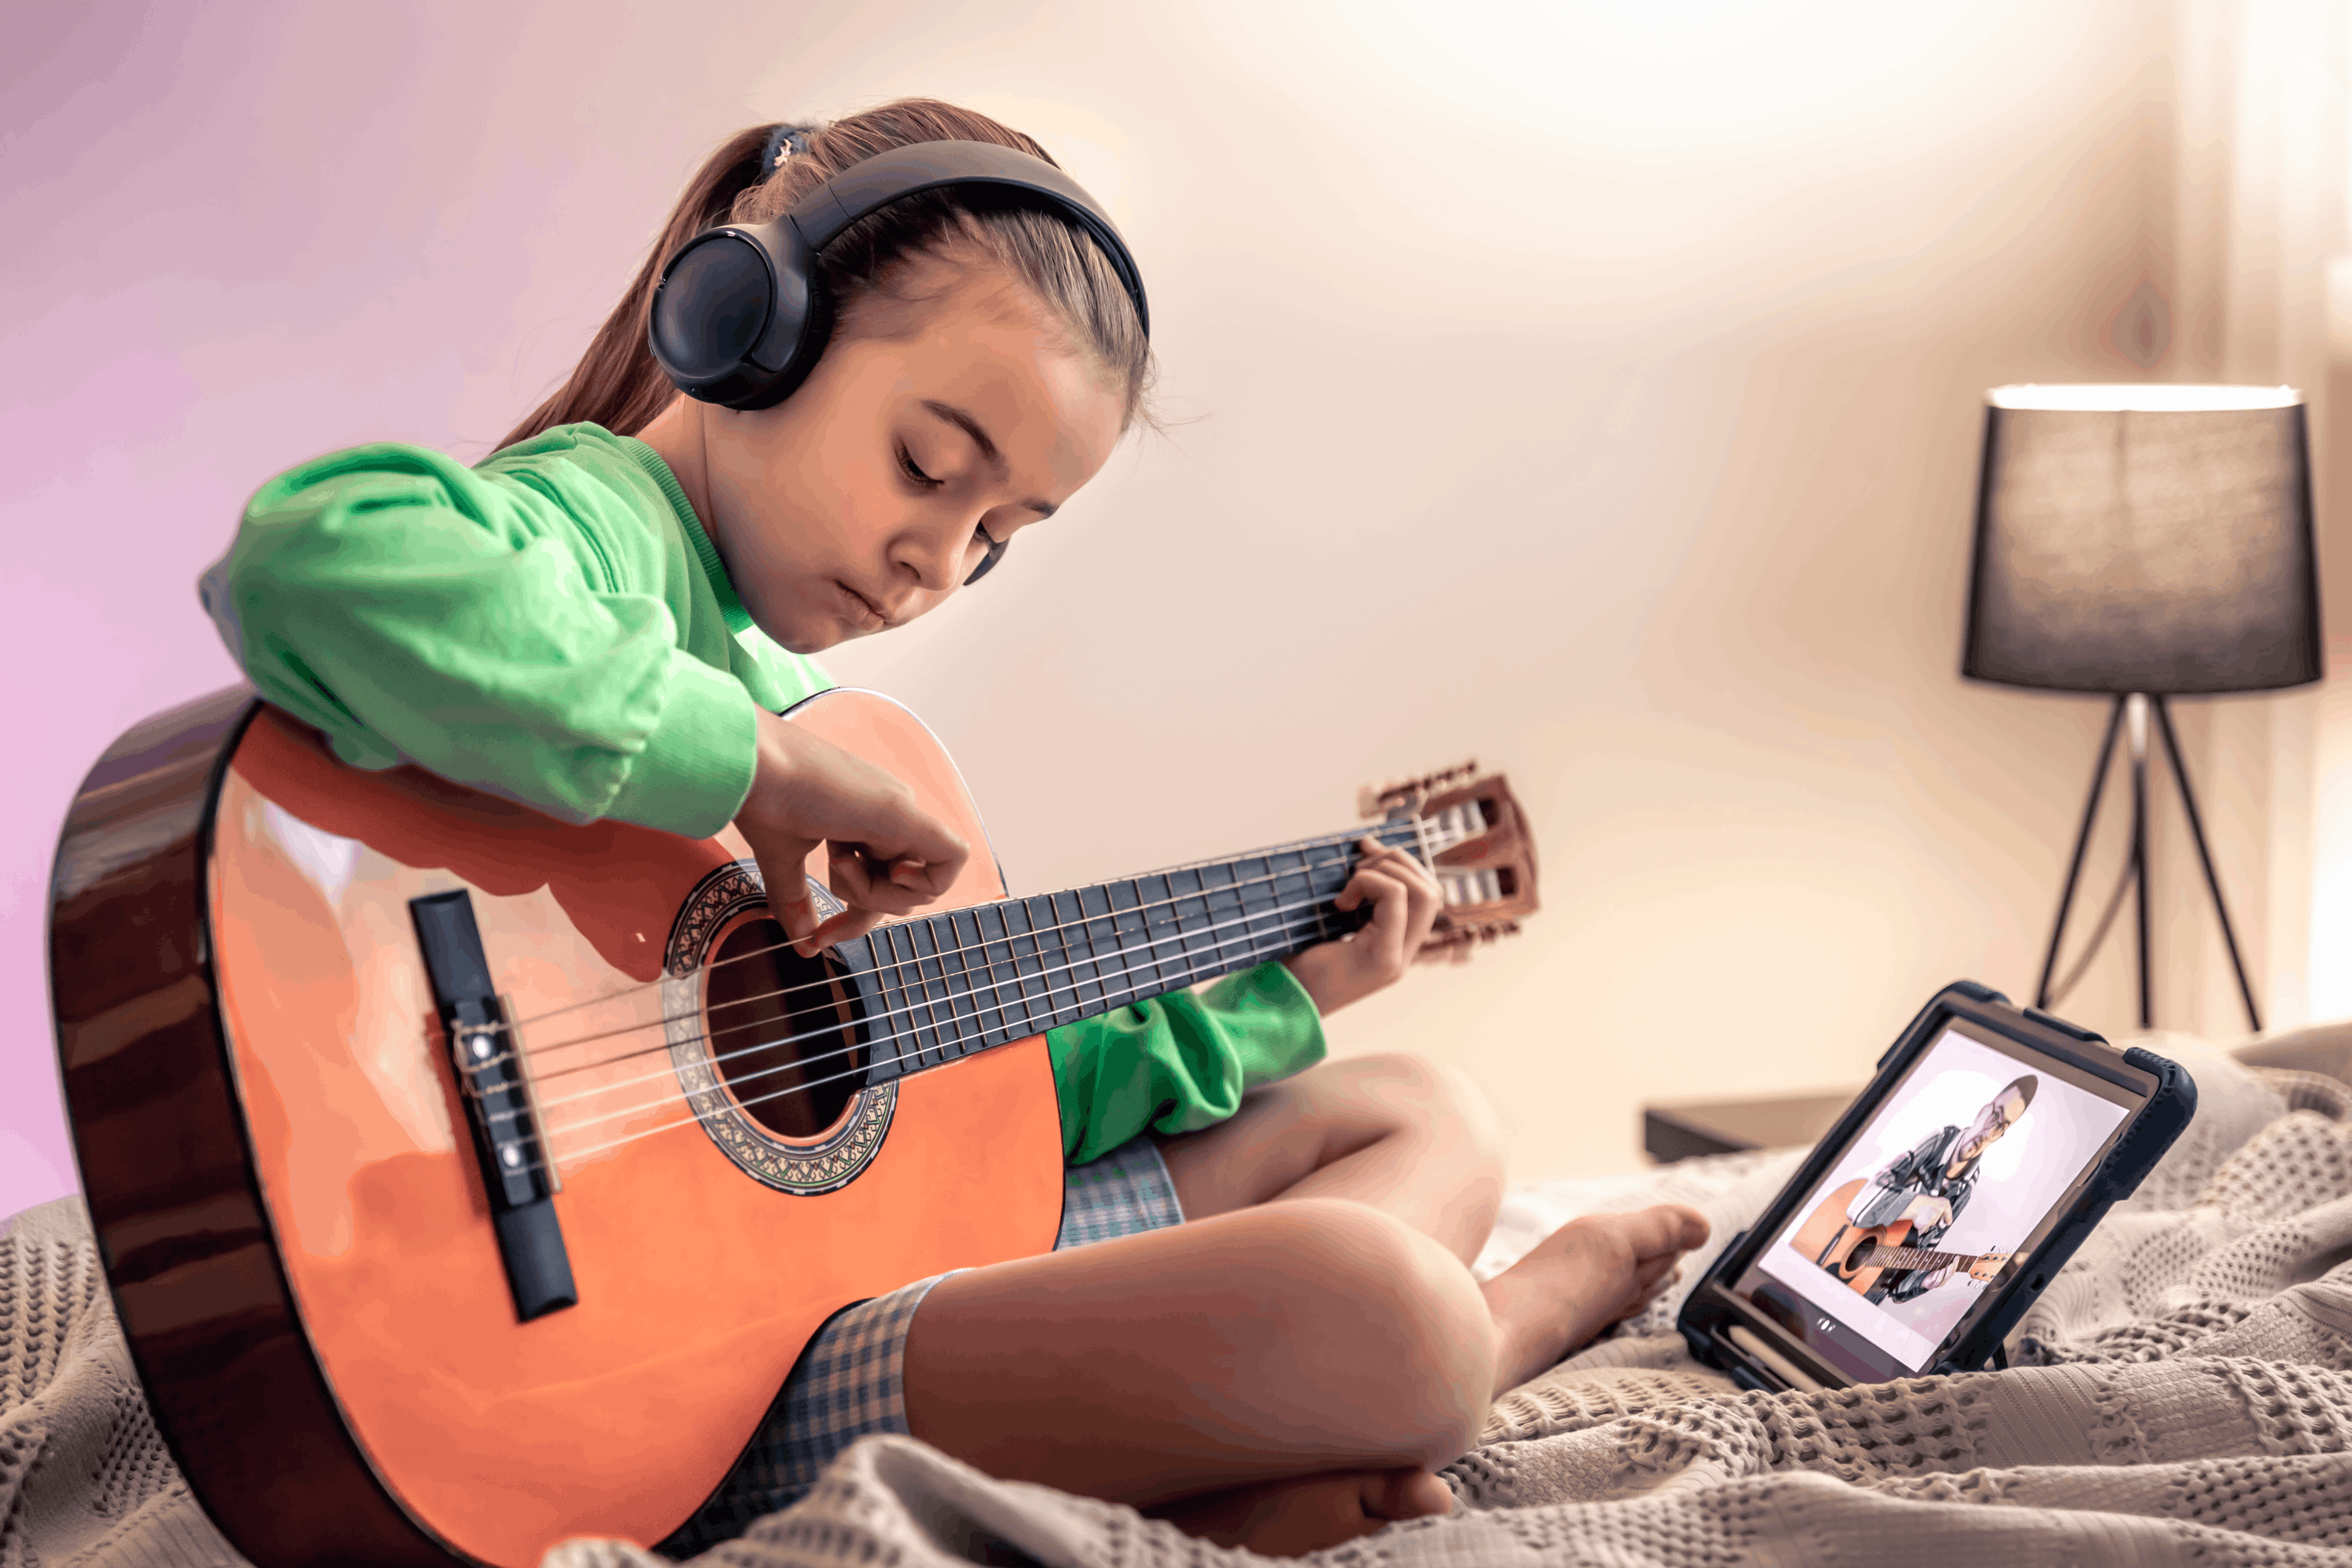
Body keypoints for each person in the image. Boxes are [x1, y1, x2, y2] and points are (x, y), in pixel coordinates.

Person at [198, 99, 1708, 1558]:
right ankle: (1488, 1341)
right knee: (1398, 1303)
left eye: (999, 536)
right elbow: (311, 565)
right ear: (749, 324)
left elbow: (999, 1111)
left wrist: (1285, 993)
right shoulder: (595, 536)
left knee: (1426, 1111)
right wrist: (750, 769)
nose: (937, 558)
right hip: (707, 1379)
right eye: (928, 466)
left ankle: (1245, 1465)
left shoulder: (812, 709)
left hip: (844, 1281)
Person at [1833, 1076, 2037, 1304]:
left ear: (2000, 1136)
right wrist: (1917, 1205)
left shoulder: (1963, 1192)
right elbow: (1859, 1208)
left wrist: (1923, 1283)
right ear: (1983, 1111)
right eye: (1995, 1114)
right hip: (1827, 1246)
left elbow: (1896, 1287)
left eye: (2001, 1126)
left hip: (1859, 1296)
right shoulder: (1938, 1140)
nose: (1989, 1129)